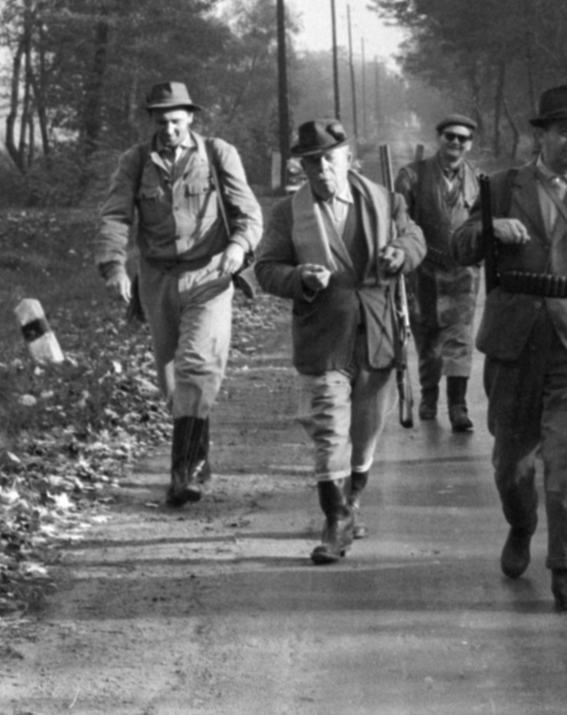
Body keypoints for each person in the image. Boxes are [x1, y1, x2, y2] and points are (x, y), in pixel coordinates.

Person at [450, 85, 567, 612]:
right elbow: (459, 248)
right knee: (513, 464)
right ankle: (521, 523)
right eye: (564, 132)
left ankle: (566, 571)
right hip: (513, 342)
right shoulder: (502, 185)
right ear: (541, 135)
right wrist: (488, 228)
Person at [254, 119, 426, 564]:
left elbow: (415, 237)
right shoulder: (288, 213)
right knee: (329, 429)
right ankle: (334, 519)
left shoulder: (386, 200)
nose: (320, 169)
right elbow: (266, 268)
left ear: (350, 158)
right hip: (322, 334)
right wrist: (298, 278)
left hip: (378, 332)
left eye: (329, 159)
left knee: (364, 432)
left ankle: (352, 503)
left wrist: (401, 253)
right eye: (310, 162)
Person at [95, 81, 262, 508]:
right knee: (171, 380)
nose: (168, 129)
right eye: (160, 120)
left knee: (197, 366)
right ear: (150, 120)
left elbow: (248, 214)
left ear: (190, 118)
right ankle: (198, 456)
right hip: (157, 280)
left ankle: (182, 473)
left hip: (209, 275)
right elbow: (114, 216)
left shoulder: (218, 153)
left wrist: (238, 247)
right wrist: (114, 266)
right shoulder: (134, 161)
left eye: (175, 120)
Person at [394, 114, 482, 432]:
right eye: (450, 137)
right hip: (423, 269)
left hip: (463, 271)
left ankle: (458, 406)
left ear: (470, 144)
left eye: (463, 139)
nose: (456, 143)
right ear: (439, 139)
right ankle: (429, 398)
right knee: (428, 340)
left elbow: (485, 224)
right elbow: (399, 224)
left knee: (460, 338)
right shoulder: (412, 176)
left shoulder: (480, 180)